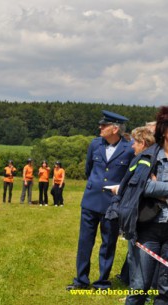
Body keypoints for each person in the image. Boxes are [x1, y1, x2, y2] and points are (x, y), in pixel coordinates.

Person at [66, 110, 134, 291]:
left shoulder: (129, 148)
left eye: (104, 125)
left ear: (115, 129)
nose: (100, 127)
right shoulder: (95, 144)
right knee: (85, 242)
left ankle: (102, 282)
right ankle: (81, 280)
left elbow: (129, 175)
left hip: (112, 204)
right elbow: (89, 169)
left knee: (108, 243)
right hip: (90, 201)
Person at [118, 110, 168, 305]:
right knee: (140, 286)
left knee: (166, 289)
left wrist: (159, 189)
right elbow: (143, 186)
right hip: (149, 228)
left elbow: (151, 186)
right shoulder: (148, 156)